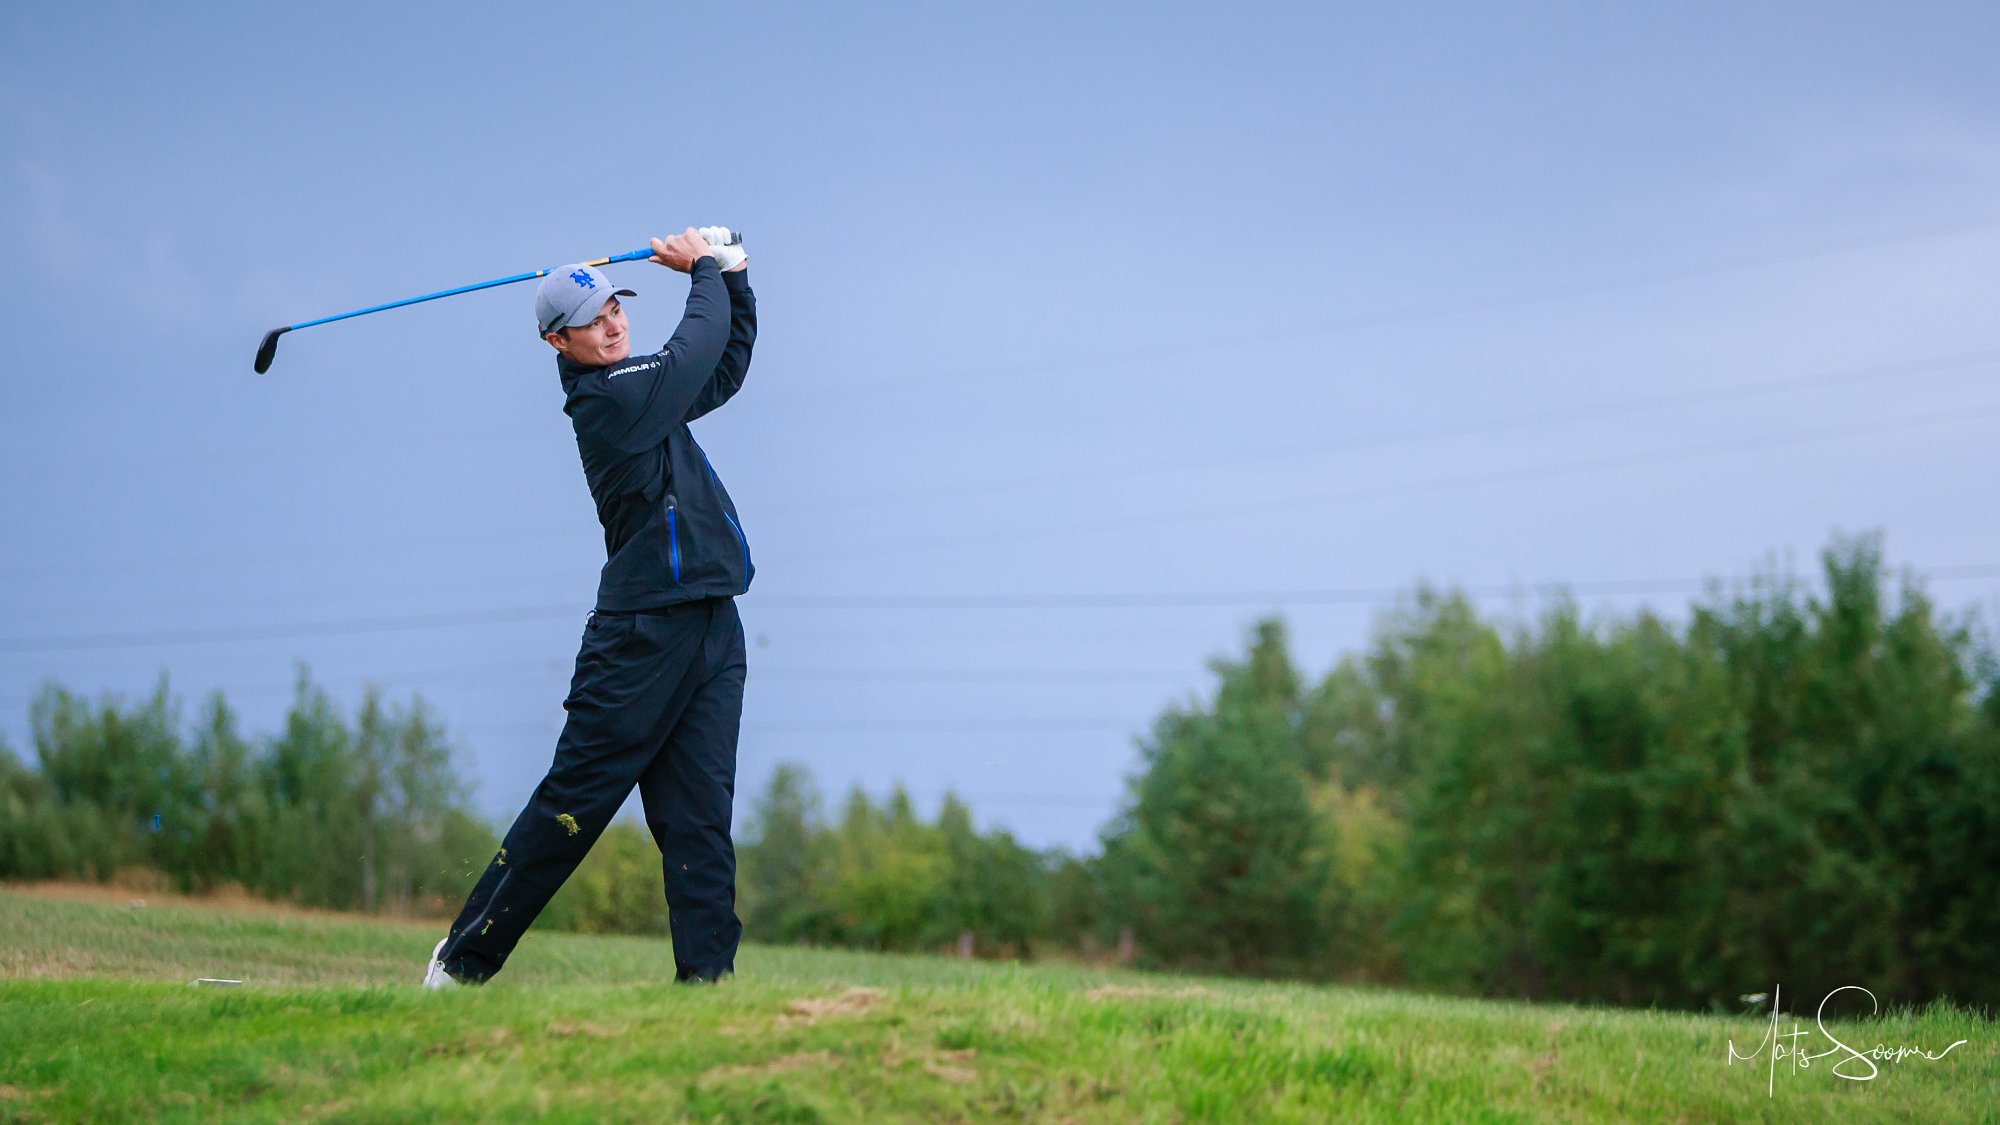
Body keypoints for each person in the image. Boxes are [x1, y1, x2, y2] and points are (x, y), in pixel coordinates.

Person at [424, 226, 757, 986]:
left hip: (711, 623)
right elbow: (691, 354)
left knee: (700, 820)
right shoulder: (608, 400)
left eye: (616, 308)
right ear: (557, 343)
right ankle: (460, 962)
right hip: (639, 639)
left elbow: (724, 363)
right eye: (593, 319)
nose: (612, 323)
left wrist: (734, 278)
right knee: (572, 808)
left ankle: (707, 987)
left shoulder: (645, 388)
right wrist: (704, 268)